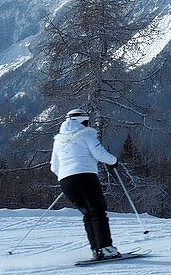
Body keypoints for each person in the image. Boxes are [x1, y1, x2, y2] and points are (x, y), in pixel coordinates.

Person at [51, 109, 121, 260]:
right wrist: (114, 161)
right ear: (82, 121)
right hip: (86, 177)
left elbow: (54, 166)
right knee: (98, 211)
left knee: (88, 214)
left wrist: (66, 177)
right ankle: (106, 248)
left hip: (66, 181)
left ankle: (97, 250)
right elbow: (99, 154)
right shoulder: (86, 134)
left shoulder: (58, 140)